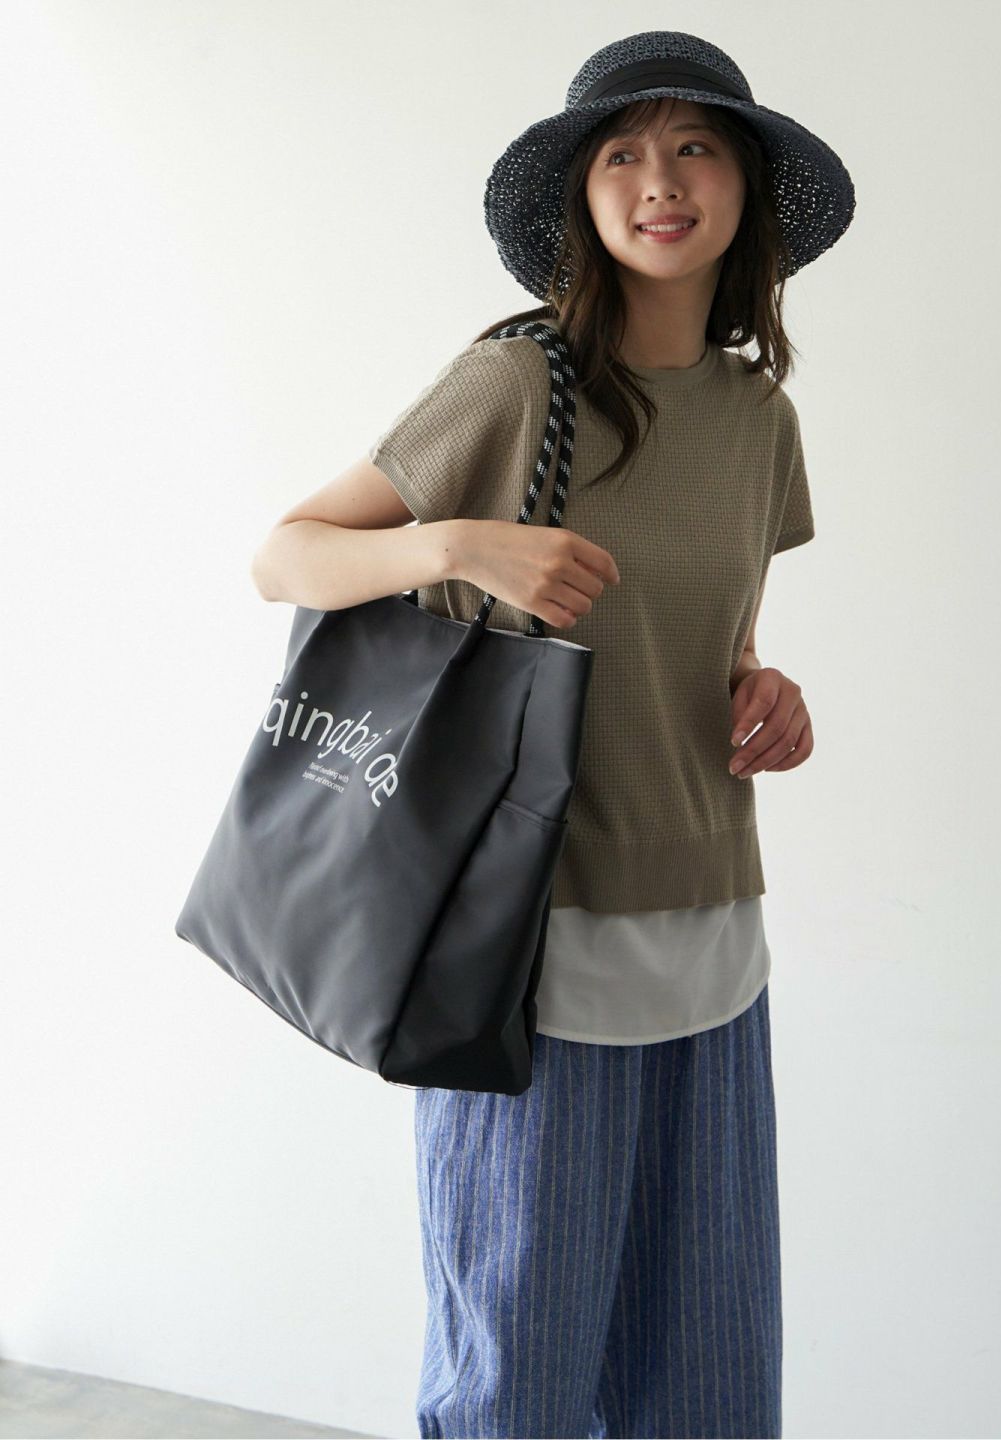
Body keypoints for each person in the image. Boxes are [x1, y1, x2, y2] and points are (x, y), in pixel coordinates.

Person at [251, 29, 854, 1440]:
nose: (661, 181)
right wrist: (460, 543)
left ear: (745, 189)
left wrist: (766, 694)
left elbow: (716, 642)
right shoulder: (520, 382)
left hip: (710, 928)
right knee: (516, 1375)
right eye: (623, 153)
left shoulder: (760, 417)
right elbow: (284, 556)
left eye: (695, 147)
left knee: (706, 1375)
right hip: (529, 941)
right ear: (582, 195)